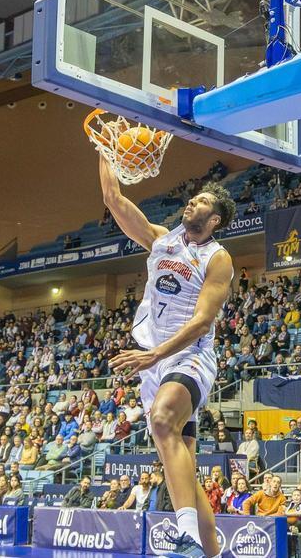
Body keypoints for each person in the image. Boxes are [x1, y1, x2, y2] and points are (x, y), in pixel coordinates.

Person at [99, 154, 232, 558]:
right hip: (154, 362)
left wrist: (153, 355)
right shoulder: (161, 240)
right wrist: (104, 147)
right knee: (185, 478)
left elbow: (203, 322)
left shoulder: (217, 257)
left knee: (160, 420)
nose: (193, 202)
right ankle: (210, 552)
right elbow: (113, 198)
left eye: (203, 202)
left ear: (215, 221)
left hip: (188, 355)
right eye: (193, 198)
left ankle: (187, 538)